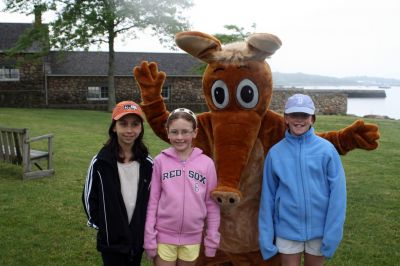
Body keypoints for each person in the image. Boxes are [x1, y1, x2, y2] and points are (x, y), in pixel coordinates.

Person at [258, 94, 347, 266]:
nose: (299, 120)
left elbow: (338, 195)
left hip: (319, 231)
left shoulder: (327, 151)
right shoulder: (275, 154)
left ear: (312, 119)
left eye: (304, 115)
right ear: (285, 118)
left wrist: (333, 233)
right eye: (294, 115)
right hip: (287, 230)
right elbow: (267, 197)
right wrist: (266, 235)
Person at [144, 108, 220, 266]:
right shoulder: (160, 161)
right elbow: (153, 201)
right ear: (168, 132)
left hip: (192, 237)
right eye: (174, 132)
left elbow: (211, 205)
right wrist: (149, 237)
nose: (179, 137)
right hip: (163, 237)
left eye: (185, 132)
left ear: (195, 132)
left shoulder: (206, 164)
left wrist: (212, 239)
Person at [82, 100, 153, 266]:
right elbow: (88, 196)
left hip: (136, 237)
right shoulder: (100, 162)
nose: (129, 130)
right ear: (114, 127)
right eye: (123, 124)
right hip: (111, 241)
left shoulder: (148, 163)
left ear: (141, 128)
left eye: (135, 124)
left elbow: (152, 199)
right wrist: (105, 225)